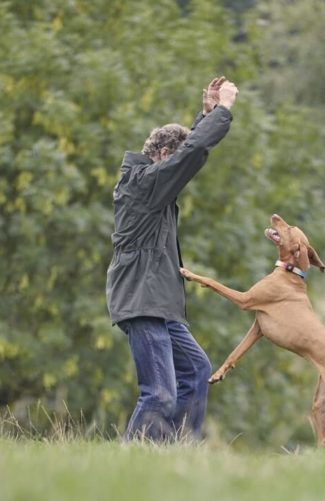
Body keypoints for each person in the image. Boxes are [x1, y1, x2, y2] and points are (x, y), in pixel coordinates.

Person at [106, 76, 239, 442]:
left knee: (196, 370)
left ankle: (178, 454)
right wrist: (223, 112)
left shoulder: (153, 182)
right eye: (174, 164)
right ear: (163, 156)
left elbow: (186, 154)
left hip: (159, 300)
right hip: (142, 299)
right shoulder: (143, 184)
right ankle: (131, 462)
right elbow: (191, 154)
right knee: (160, 394)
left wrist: (205, 115)